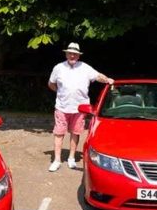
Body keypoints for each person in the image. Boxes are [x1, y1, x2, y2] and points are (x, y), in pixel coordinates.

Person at [48, 42, 114, 172]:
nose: (72, 56)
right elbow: (51, 84)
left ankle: (71, 158)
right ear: (66, 54)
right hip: (62, 107)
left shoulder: (85, 68)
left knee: (75, 132)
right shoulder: (58, 68)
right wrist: (60, 93)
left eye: (75, 54)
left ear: (78, 56)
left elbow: (98, 76)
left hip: (80, 108)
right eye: (70, 53)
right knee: (59, 133)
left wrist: (107, 80)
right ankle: (57, 160)